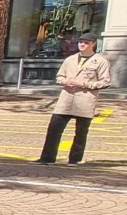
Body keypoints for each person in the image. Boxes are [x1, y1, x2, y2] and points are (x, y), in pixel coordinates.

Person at [37, 32, 113, 166]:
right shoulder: (70, 59)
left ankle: (75, 159)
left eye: (86, 43)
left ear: (93, 44)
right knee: (54, 128)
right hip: (66, 99)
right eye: (80, 42)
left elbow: (105, 82)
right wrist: (65, 81)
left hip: (85, 99)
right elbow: (59, 77)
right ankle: (47, 158)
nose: (82, 44)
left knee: (81, 132)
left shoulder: (101, 61)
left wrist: (84, 84)